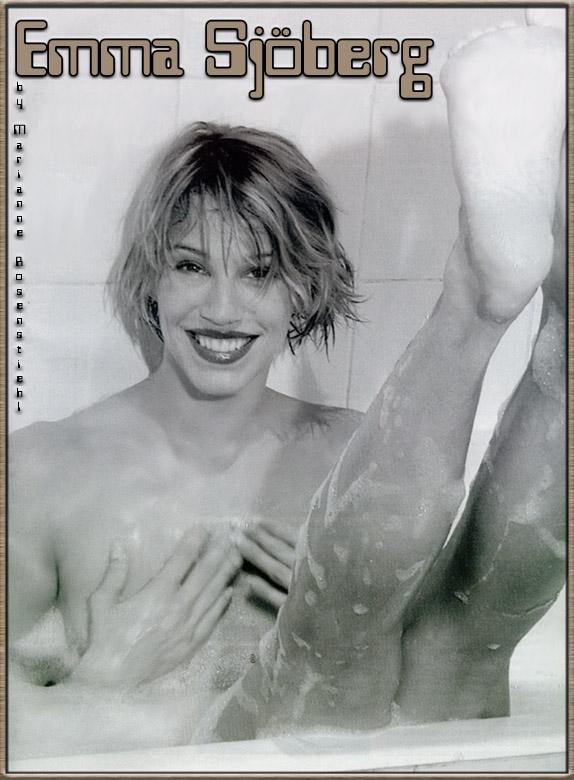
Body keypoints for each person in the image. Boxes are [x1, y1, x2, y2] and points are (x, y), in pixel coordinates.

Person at [9, 16, 565, 759]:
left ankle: (555, 319)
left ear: (305, 290)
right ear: (149, 279)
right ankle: (479, 295)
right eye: (191, 266)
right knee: (347, 641)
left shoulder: (364, 456)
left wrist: (354, 600)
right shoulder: (40, 473)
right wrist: (98, 682)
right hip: (194, 759)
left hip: (402, 758)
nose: (223, 308)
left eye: (260, 273)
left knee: (454, 641)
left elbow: (431, 659)